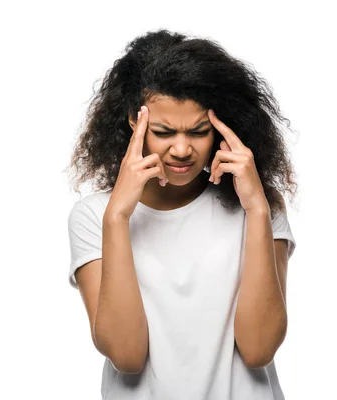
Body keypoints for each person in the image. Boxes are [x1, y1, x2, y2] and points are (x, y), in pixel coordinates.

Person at [65, 29, 298, 400]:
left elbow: (258, 349)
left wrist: (256, 209)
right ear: (133, 123)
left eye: (198, 131)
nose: (181, 149)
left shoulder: (257, 207)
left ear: (222, 128)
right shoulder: (95, 216)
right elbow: (127, 355)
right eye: (163, 131)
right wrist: (117, 218)